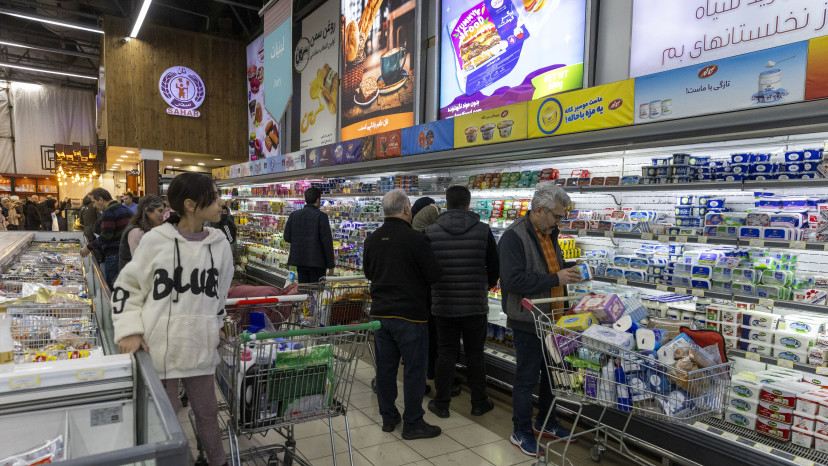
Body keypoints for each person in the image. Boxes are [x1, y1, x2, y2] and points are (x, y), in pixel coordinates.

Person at [111, 172, 231, 466]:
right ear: (190, 204)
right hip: (157, 348)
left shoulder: (220, 245)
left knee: (207, 412)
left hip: (199, 346)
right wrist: (128, 331)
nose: (221, 202)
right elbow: (127, 286)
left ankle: (217, 461)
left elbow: (220, 294)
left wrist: (216, 325)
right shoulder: (156, 242)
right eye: (214, 196)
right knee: (163, 415)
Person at [499, 182, 582, 457]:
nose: (560, 220)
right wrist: (554, 278)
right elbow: (512, 281)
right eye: (557, 215)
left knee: (552, 376)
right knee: (526, 377)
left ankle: (546, 421)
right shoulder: (514, 236)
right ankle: (520, 431)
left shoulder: (550, 233)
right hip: (528, 319)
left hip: (555, 317)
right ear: (539, 210)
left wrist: (568, 272)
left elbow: (548, 269)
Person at [364, 189, 442, 440]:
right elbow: (434, 275)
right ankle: (413, 422)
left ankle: (388, 418)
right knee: (414, 370)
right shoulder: (417, 239)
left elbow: (368, 273)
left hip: (380, 315)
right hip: (411, 316)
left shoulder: (372, 239)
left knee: (386, 370)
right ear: (407, 210)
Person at [425, 186, 500, 419]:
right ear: (469, 204)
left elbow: (425, 270)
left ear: (445, 204)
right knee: (475, 354)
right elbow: (494, 267)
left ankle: (442, 403)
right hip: (475, 306)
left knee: (445, 353)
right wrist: (481, 287)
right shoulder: (483, 230)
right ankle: (479, 402)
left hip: (443, 305)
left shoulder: (430, 231)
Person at [78, 188, 133, 289]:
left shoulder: (109, 212)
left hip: (114, 255)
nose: (94, 206)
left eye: (94, 202)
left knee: (112, 288)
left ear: (101, 199)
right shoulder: (126, 209)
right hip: (127, 254)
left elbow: (106, 236)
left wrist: (89, 247)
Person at [283, 186, 335, 283]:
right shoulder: (321, 216)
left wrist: (299, 241)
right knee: (316, 293)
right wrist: (331, 264)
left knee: (304, 291)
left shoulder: (294, 215)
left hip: (300, 261)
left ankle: (304, 299)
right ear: (318, 199)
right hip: (317, 263)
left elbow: (287, 237)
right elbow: (326, 242)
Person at [119, 195, 165, 270]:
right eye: (160, 211)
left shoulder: (151, 228)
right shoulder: (136, 231)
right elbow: (140, 264)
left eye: (164, 211)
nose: (163, 215)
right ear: (147, 211)